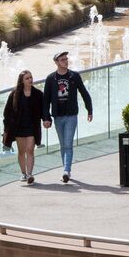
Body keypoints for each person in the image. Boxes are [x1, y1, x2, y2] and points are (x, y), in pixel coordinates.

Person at [43, 51, 93, 183]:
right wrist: (46, 118)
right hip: (58, 116)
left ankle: (66, 171)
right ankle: (66, 169)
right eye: (62, 59)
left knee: (68, 144)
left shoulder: (74, 76)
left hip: (71, 116)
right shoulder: (50, 79)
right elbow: (45, 100)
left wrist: (89, 110)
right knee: (62, 145)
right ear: (56, 62)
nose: (66, 61)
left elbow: (84, 93)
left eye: (66, 59)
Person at [3, 70, 46, 183]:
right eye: (27, 78)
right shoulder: (14, 94)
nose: (30, 80)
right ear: (22, 81)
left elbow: (44, 110)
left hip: (32, 127)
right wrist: (7, 127)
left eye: (31, 77)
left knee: (30, 150)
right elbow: (7, 112)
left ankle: (30, 174)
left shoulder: (38, 94)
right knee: (21, 151)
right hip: (18, 127)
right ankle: (23, 173)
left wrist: (47, 119)